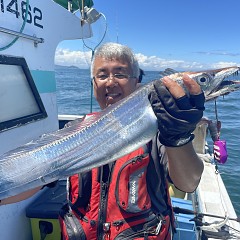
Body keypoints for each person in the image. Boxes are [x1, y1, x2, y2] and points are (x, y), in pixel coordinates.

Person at [1, 42, 205, 240]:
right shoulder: (75, 133)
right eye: (102, 75)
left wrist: (178, 137)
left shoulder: (160, 130)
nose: (110, 81)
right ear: (93, 84)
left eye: (120, 74)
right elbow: (36, 178)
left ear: (137, 83)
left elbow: (188, 182)